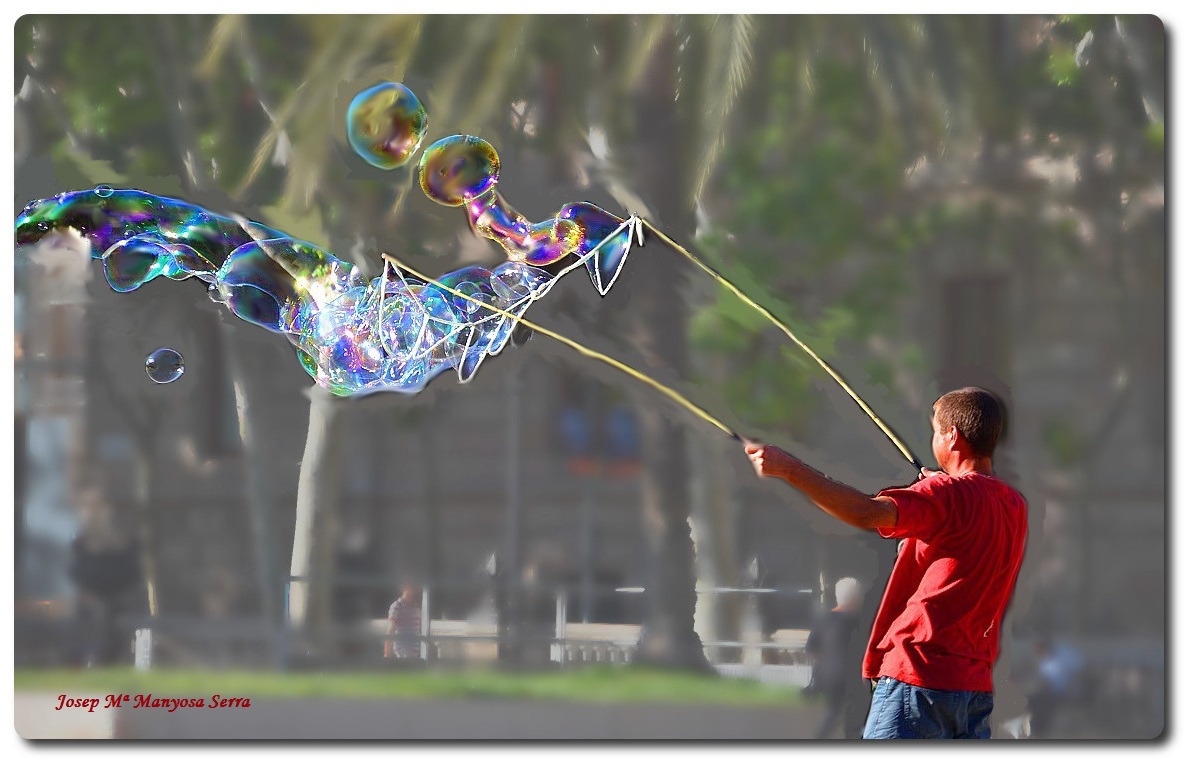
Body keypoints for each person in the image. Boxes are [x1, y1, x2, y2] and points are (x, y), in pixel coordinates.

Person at [745, 387, 1027, 739]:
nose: (934, 440)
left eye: (936, 431)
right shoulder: (1013, 504)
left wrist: (791, 470)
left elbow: (867, 513)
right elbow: (966, 522)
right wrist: (943, 489)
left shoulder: (944, 495)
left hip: (919, 675)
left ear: (952, 436)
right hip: (973, 688)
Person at [804, 577, 868, 739]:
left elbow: (812, 649)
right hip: (851, 677)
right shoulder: (858, 622)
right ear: (855, 598)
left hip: (829, 676)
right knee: (862, 714)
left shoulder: (823, 619)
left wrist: (825, 665)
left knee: (834, 713)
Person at [384, 584, 423, 660]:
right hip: (402, 650)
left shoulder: (416, 607)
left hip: (415, 649)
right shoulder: (397, 606)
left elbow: (419, 628)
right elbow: (391, 628)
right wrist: (387, 652)